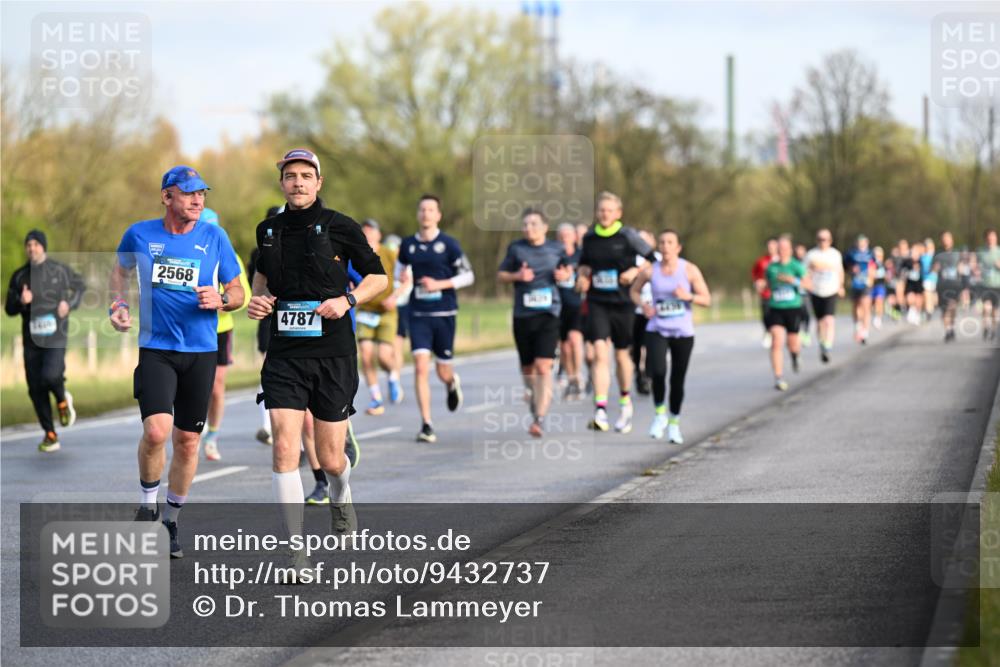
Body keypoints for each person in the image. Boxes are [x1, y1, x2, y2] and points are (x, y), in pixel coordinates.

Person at [248, 149, 386, 554]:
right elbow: (262, 277)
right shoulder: (267, 230)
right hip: (285, 352)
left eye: (306, 175)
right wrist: (259, 300)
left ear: (318, 182)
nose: (298, 182)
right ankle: (296, 550)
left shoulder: (340, 226)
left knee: (330, 458)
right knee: (285, 447)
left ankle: (341, 495)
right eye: (291, 176)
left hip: (333, 352)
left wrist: (348, 301)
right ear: (282, 183)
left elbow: (379, 278)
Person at [110, 165, 245, 558]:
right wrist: (117, 305)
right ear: (167, 197)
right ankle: (147, 504)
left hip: (201, 351)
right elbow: (118, 272)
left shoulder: (214, 236)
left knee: (187, 442)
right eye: (188, 193)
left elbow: (236, 290)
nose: (198, 200)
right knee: (156, 432)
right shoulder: (140, 234)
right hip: (156, 348)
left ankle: (170, 520)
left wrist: (221, 299)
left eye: (201, 193)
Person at [397, 194, 475, 443]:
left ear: (438, 215)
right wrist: (403, 279)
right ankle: (427, 424)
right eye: (422, 209)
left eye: (431, 209)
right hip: (418, 314)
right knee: (420, 367)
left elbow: (468, 276)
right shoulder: (408, 244)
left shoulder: (449, 244)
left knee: (442, 371)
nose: (426, 214)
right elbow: (400, 271)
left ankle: (451, 382)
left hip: (444, 314)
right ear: (418, 214)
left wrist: (439, 284)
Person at [576, 191, 656, 434]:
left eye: (609, 210)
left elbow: (653, 260)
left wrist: (635, 272)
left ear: (618, 213)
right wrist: (582, 278)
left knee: (622, 356)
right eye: (601, 210)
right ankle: (600, 410)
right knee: (600, 354)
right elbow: (584, 264)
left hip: (623, 304)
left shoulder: (628, 236)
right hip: (598, 302)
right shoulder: (589, 238)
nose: (604, 214)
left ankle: (624, 402)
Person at [5, 229, 85, 452]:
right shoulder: (20, 276)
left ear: (43, 247)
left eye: (36, 244)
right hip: (31, 339)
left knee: (50, 376)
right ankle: (50, 434)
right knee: (34, 387)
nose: (32, 248)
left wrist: (68, 303)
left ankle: (61, 400)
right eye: (28, 245)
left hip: (55, 334)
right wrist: (21, 301)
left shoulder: (59, 271)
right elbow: (9, 309)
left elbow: (80, 286)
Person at [629, 230, 711, 443]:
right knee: (657, 371)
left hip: (683, 332)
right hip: (657, 328)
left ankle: (674, 423)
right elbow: (634, 291)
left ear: (678, 247)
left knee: (677, 379)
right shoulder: (650, 271)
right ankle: (659, 414)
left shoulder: (689, 269)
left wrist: (688, 296)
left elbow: (706, 299)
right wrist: (643, 306)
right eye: (662, 242)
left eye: (670, 242)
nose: (665, 246)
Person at [497, 209, 568, 437]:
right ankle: (535, 401)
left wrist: (564, 276)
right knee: (528, 370)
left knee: (542, 367)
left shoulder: (557, 249)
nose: (529, 228)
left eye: (534, 224)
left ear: (545, 227)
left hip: (549, 313)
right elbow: (501, 275)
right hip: (523, 315)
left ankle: (540, 418)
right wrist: (517, 276)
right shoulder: (516, 249)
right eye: (525, 224)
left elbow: (568, 272)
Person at [198, 208, 252, 461]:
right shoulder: (188, 252)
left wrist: (221, 300)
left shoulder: (229, 255)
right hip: (193, 327)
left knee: (217, 387)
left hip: (220, 328)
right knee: (192, 384)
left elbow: (245, 296)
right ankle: (191, 429)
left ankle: (212, 435)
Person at [356, 219, 407, 415]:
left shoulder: (389, 253)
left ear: (378, 234)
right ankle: (375, 397)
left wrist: (394, 297)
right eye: (364, 231)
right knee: (366, 354)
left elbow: (405, 279)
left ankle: (393, 376)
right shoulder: (356, 253)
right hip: (365, 311)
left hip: (387, 311)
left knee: (384, 356)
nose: (367, 234)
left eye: (371, 231)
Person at [247, 205, 282, 445]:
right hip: (268, 315)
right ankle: (267, 425)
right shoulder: (258, 253)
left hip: (295, 315)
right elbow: (255, 284)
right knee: (269, 368)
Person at [765, 234, 811, 391]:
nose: (782, 251)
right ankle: (778, 377)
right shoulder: (771, 267)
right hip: (776, 308)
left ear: (790, 250)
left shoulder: (797, 266)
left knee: (792, 343)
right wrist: (760, 287)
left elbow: (809, 285)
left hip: (793, 308)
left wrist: (794, 281)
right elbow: (767, 286)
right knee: (776, 340)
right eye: (779, 248)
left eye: (785, 248)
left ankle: (795, 356)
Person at [804, 229, 843, 363]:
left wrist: (841, 286)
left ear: (830, 240)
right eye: (820, 239)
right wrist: (807, 283)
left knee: (829, 320)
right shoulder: (811, 255)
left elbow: (840, 271)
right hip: (816, 290)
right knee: (820, 322)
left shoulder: (835, 254)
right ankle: (822, 343)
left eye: (825, 239)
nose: (823, 242)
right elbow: (805, 273)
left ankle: (828, 346)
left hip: (831, 290)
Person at [555, 222, 585, 401]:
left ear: (575, 237)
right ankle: (571, 377)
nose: (565, 238)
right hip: (558, 305)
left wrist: (572, 276)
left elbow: (587, 277)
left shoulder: (582, 255)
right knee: (564, 346)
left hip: (577, 304)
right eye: (561, 235)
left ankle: (577, 375)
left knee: (575, 339)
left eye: (568, 234)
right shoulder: (553, 255)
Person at [630, 229, 659, 394]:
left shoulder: (659, 259)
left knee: (650, 345)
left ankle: (649, 375)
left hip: (654, 310)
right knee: (635, 346)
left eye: (645, 240)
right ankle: (637, 372)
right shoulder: (630, 259)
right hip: (635, 309)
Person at [383, 233, 407, 405]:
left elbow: (409, 285)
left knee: (396, 346)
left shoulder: (406, 265)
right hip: (384, 309)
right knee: (383, 354)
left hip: (402, 308)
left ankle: (394, 379)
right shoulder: (384, 264)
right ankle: (393, 373)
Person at [844, 234, 875, 344]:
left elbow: (874, 266)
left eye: (864, 242)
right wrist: (851, 269)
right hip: (855, 283)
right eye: (859, 242)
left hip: (866, 282)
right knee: (856, 305)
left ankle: (865, 332)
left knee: (866, 305)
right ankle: (857, 324)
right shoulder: (851, 253)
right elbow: (845, 265)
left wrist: (871, 277)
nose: (861, 244)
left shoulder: (871, 253)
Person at [933, 231, 963, 342]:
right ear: (941, 241)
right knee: (944, 310)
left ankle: (951, 327)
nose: (946, 241)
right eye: (944, 239)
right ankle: (948, 331)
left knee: (953, 307)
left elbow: (961, 269)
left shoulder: (957, 253)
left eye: (948, 238)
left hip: (954, 285)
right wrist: (935, 268)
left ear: (952, 240)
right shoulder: (937, 254)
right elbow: (933, 270)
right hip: (942, 285)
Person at [751, 238, 779, 349]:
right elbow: (755, 274)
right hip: (766, 293)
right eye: (769, 246)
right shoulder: (762, 261)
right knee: (766, 314)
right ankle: (768, 331)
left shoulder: (782, 260)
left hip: (779, 294)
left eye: (773, 246)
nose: (770, 249)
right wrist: (757, 283)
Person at [979, 229, 1000, 340]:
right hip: (985, 285)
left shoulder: (999, 251)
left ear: (996, 238)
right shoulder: (981, 252)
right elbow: (977, 266)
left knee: (995, 311)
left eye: (993, 236)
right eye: (989, 237)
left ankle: (993, 329)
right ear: (986, 239)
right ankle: (986, 326)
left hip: (997, 285)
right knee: (986, 307)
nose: (991, 239)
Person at [899, 242, 925, 325]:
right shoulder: (907, 262)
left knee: (918, 299)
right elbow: (902, 271)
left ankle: (917, 313)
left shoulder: (921, 261)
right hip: (910, 283)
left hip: (919, 283)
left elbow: (924, 271)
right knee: (910, 298)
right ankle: (911, 310)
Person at [793, 243, 812, 347]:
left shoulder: (808, 263)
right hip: (796, 293)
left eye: (801, 251)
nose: (799, 253)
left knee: (807, 314)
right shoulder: (793, 263)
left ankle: (807, 332)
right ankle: (799, 333)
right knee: (797, 315)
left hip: (806, 293)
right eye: (797, 251)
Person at [871, 246, 888, 329]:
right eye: (876, 255)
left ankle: (878, 318)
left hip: (880, 285)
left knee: (879, 300)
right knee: (872, 303)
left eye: (880, 256)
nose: (878, 257)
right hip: (871, 286)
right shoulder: (870, 263)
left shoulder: (884, 265)